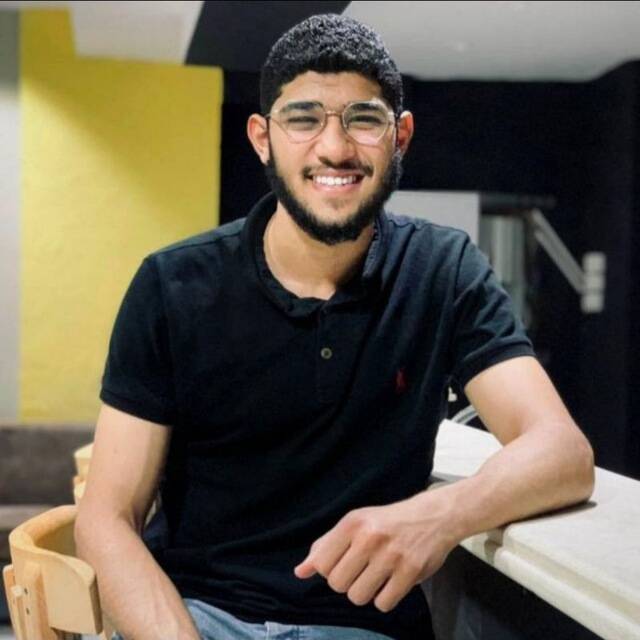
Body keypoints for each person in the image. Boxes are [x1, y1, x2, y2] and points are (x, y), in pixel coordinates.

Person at [75, 13, 595, 640]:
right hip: (196, 615)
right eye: (303, 118)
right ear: (262, 138)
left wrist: (439, 514)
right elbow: (106, 517)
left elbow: (562, 452)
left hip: (364, 629)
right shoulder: (172, 285)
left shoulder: (443, 269)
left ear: (400, 137)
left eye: (364, 119)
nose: (335, 148)